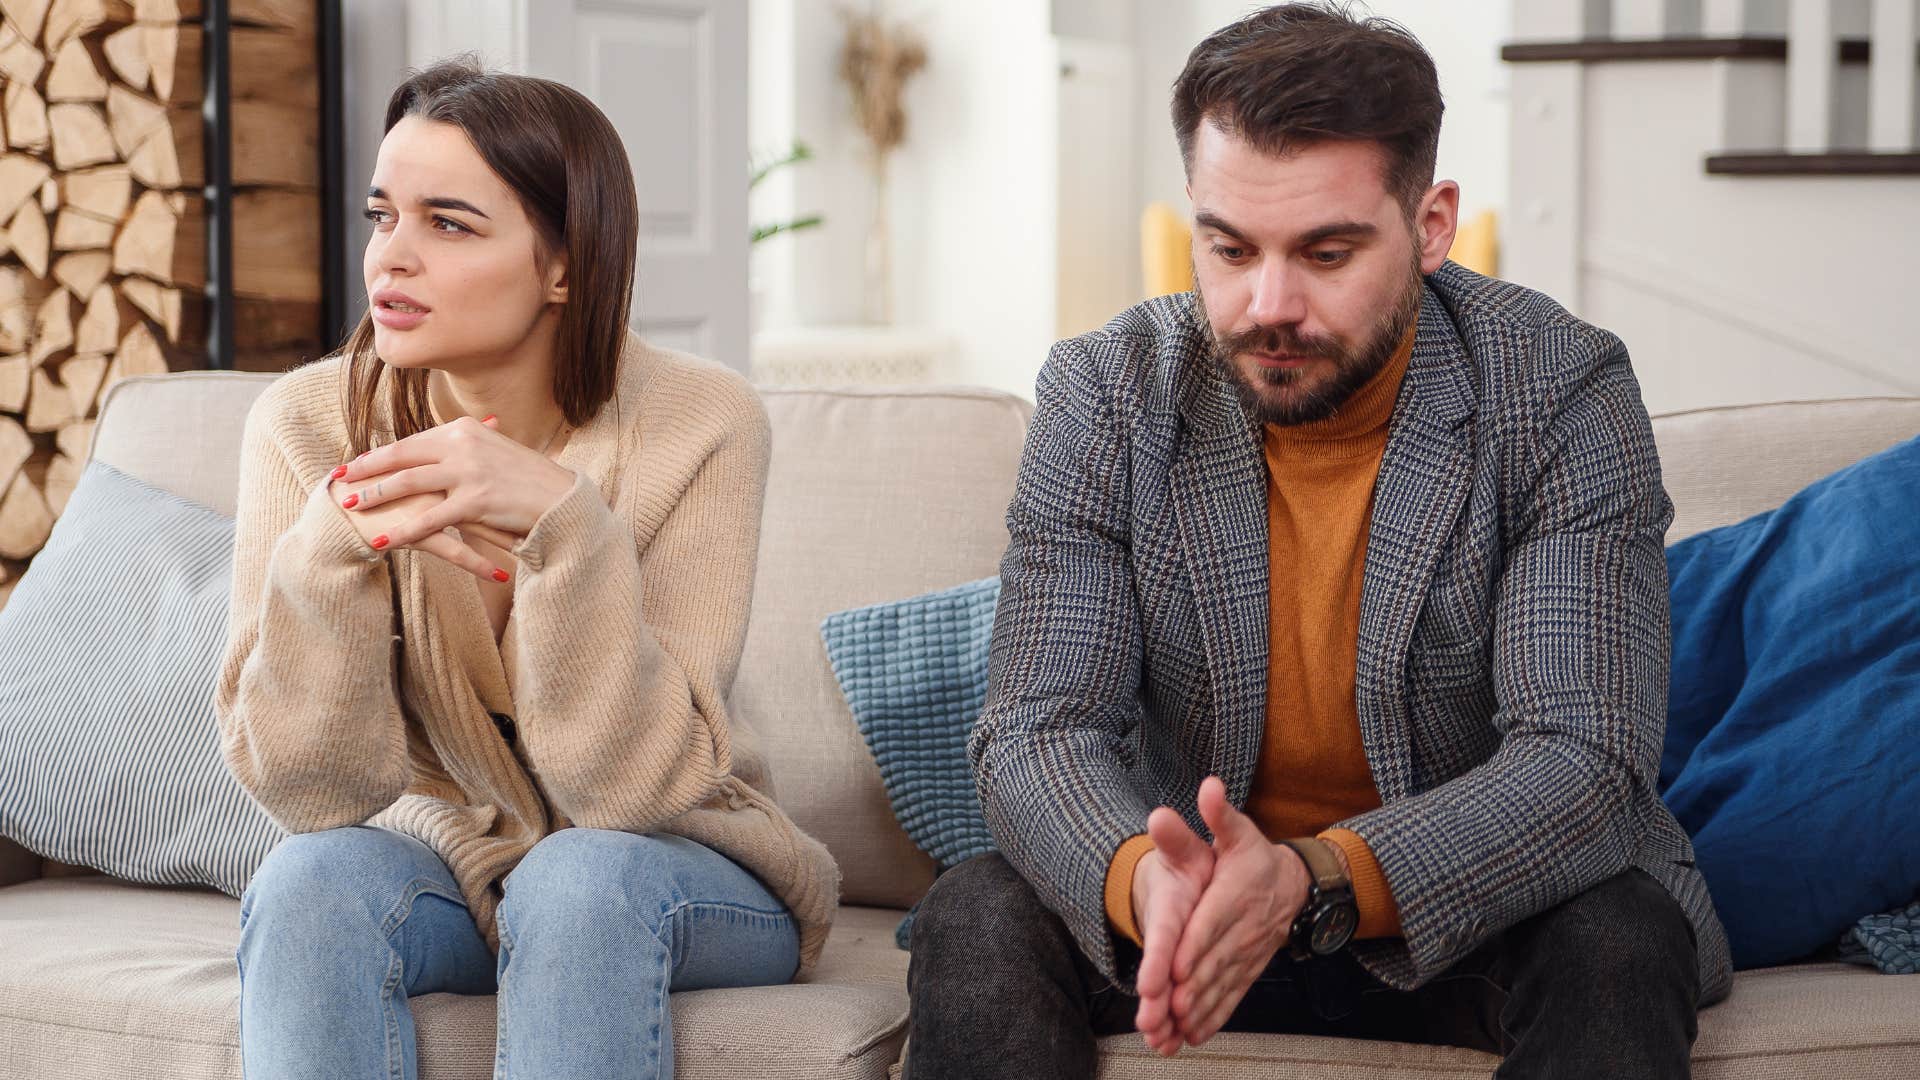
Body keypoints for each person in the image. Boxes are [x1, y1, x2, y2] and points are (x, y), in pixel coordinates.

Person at [905, 6, 1730, 1078]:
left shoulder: (1560, 389)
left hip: (1466, 917)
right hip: (1187, 917)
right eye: (1230, 248)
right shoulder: (1107, 393)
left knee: (1617, 938)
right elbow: (1037, 728)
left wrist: (1311, 876)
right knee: (975, 913)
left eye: (1327, 252)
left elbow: (1581, 758)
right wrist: (1145, 882)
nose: (1268, 305)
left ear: (1431, 225)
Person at [216, 57, 838, 1080]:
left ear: (563, 263)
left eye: (448, 223)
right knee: (309, 882)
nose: (391, 261)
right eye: (383, 216)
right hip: (455, 862)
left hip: (681, 861)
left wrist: (570, 534)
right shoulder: (304, 424)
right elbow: (311, 793)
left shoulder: (704, 421)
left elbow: (631, 791)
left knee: (579, 879)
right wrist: (327, 555)